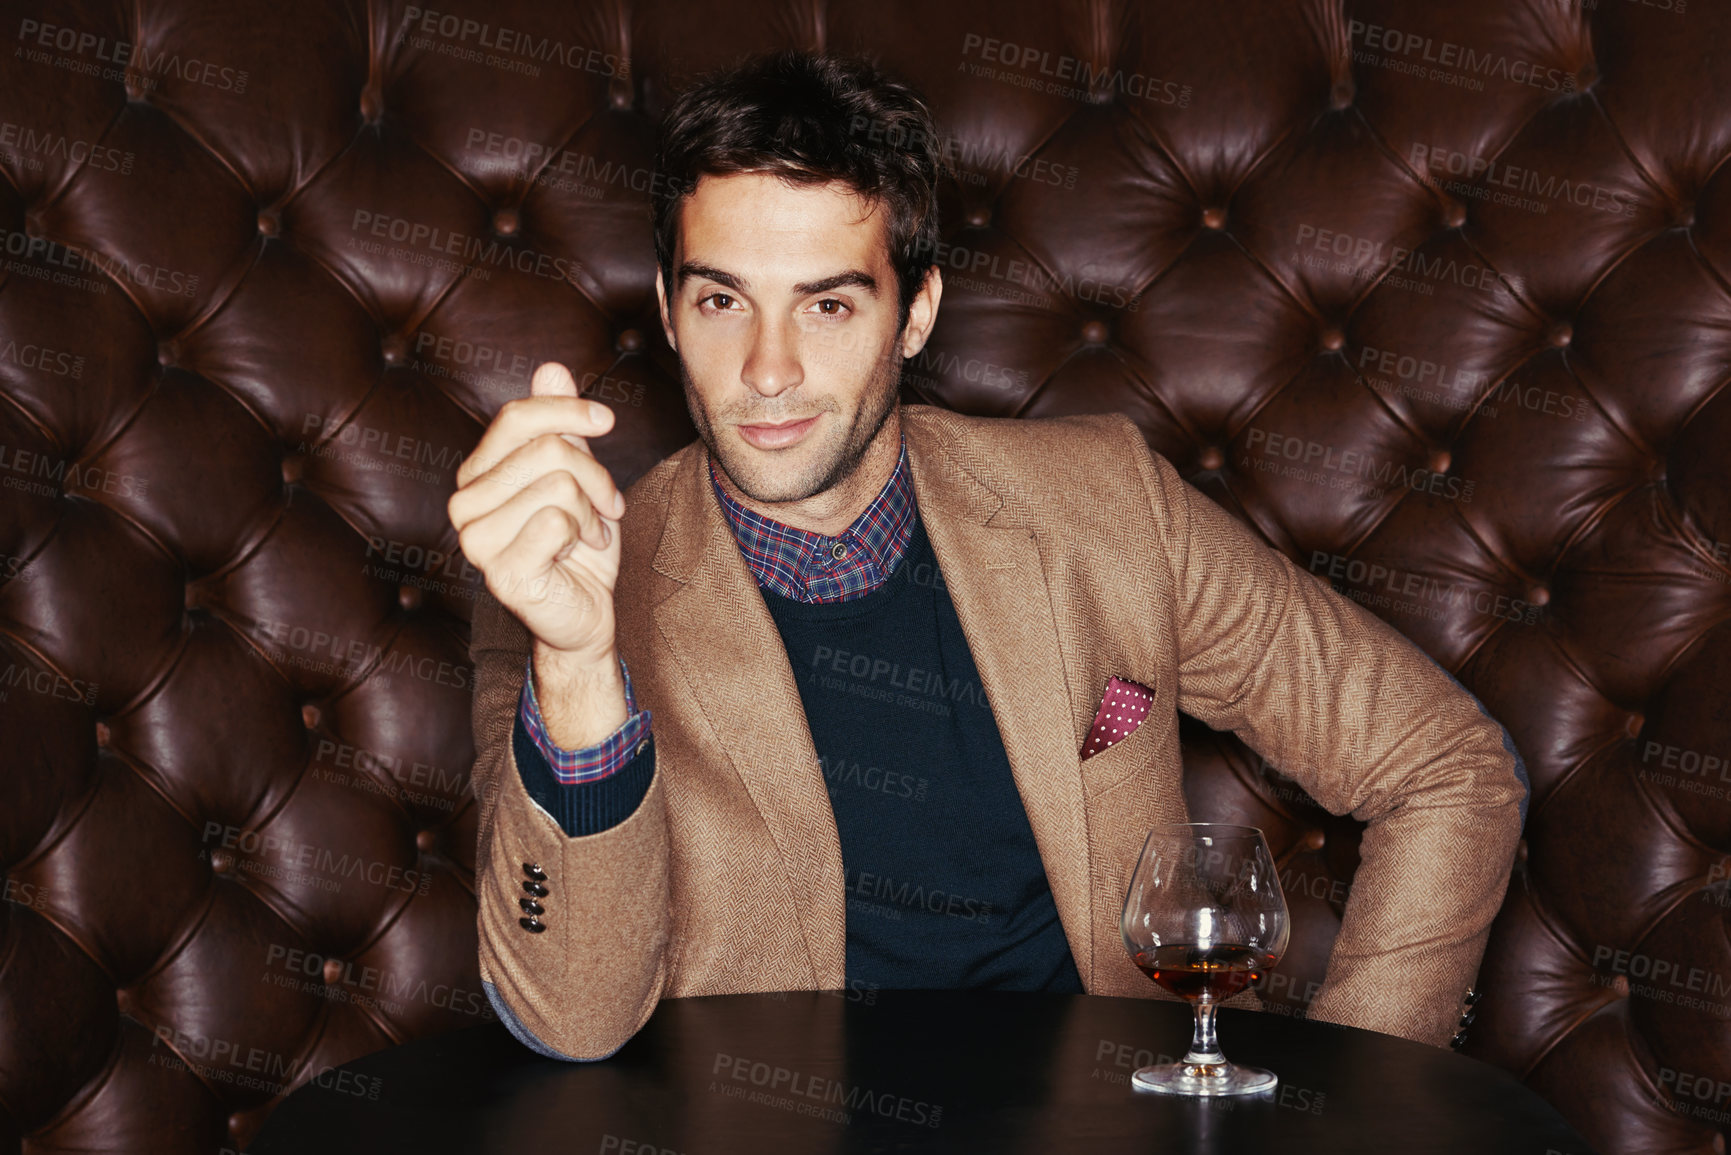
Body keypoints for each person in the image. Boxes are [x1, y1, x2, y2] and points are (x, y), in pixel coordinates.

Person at [447, 50, 1527, 1062]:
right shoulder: (560, 583)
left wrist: (1358, 1104)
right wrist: (581, 665)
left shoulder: (1108, 507)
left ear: (916, 313)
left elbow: (1447, 771)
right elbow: (570, 1021)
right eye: (723, 299)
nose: (766, 370)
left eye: (827, 305)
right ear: (669, 311)